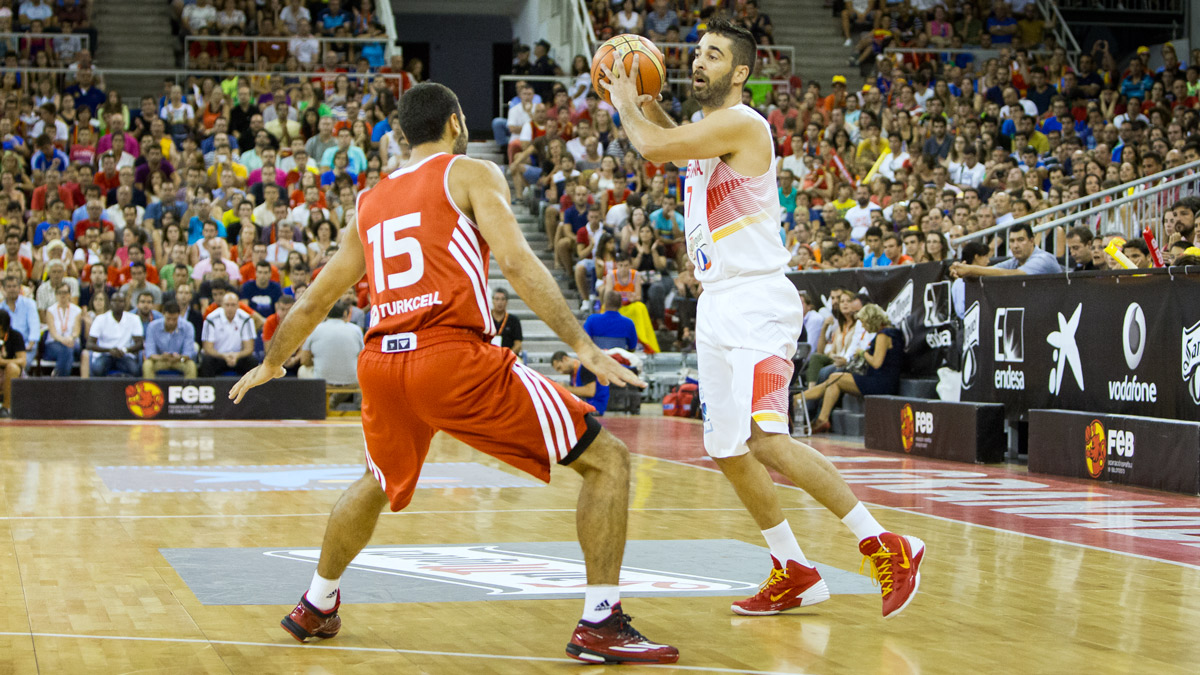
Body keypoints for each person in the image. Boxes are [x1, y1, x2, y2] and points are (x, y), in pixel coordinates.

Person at [227, 82, 677, 664]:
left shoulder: (369, 201)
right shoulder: (469, 173)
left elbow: (315, 299)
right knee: (607, 460)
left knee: (375, 481)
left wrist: (272, 360)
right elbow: (516, 261)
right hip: (450, 357)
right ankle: (601, 622)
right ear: (456, 122)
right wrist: (580, 344)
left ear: (403, 134)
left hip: (383, 365)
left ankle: (317, 601)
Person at [601, 17, 924, 619]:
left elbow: (652, 147)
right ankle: (793, 568)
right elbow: (674, 144)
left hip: (756, 301)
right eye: (698, 52)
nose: (698, 61)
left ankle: (884, 543)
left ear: (740, 73)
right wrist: (651, 107)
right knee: (727, 448)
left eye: (713, 55)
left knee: (766, 438)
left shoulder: (744, 123)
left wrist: (624, 101)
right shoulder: (709, 132)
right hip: (717, 302)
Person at [800, 304, 903, 432]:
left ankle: (803, 402)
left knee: (836, 378)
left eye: (864, 322)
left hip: (881, 382)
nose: (863, 327)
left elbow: (876, 363)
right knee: (834, 379)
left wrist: (862, 353)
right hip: (882, 379)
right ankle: (813, 411)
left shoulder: (884, 335)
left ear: (871, 320)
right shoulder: (891, 333)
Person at [950, 223, 1061, 278]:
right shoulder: (1014, 262)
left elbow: (1014, 275)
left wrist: (970, 269)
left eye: (1020, 240)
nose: (1015, 245)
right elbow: (991, 271)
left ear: (1032, 241)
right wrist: (961, 270)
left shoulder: (1043, 259)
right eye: (1012, 241)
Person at [298, 299, 363, 385]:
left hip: (321, 380)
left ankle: (316, 394)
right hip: (352, 379)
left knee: (302, 370)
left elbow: (304, 360)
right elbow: (362, 357)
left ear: (326, 313)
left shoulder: (316, 329)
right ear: (345, 313)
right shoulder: (356, 330)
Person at [86, 292, 144, 377]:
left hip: (125, 354)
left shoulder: (134, 319)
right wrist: (109, 350)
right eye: (114, 301)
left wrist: (125, 350)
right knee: (97, 369)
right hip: (105, 354)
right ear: (110, 303)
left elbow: (140, 344)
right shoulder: (100, 319)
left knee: (134, 370)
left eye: (120, 301)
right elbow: (89, 344)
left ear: (125, 304)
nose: (117, 303)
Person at [200, 292, 257, 376]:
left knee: (252, 361)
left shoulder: (246, 319)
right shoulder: (211, 319)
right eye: (227, 305)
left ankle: (251, 385)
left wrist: (236, 356)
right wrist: (224, 356)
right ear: (222, 305)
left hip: (238, 357)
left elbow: (249, 348)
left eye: (233, 305)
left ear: (238, 306)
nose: (230, 308)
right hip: (218, 356)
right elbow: (208, 349)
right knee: (207, 361)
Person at [143, 301, 198, 378]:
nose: (171, 322)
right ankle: (150, 386)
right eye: (168, 319)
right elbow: (150, 353)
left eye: (174, 319)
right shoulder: (152, 326)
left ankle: (190, 385)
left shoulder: (188, 327)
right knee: (147, 364)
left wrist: (180, 357)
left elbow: (188, 353)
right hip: (160, 360)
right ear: (163, 314)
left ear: (179, 315)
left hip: (179, 360)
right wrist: (161, 357)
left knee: (191, 365)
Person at [552, 350, 610, 415]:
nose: (561, 372)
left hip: (595, 407)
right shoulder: (574, 374)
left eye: (559, 368)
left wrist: (565, 388)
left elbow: (590, 392)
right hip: (588, 406)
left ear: (565, 359)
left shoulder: (586, 367)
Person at [44, 282, 83, 376]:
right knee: (67, 351)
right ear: (56, 295)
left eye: (65, 292)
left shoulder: (77, 310)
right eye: (60, 293)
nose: (62, 295)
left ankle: (58, 377)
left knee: (68, 349)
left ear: (69, 294)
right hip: (54, 342)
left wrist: (70, 338)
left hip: (72, 341)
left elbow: (76, 331)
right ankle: (63, 380)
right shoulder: (50, 310)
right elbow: (53, 333)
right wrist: (63, 340)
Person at [0, 309, 25, 416]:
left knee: (12, 368)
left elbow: (22, 361)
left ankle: (6, 408)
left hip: (9, 373)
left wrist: (3, 362)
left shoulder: (15, 336)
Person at [489, 287, 522, 355]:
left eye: (503, 299)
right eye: (497, 299)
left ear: (507, 301)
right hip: (489, 356)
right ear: (492, 300)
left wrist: (508, 356)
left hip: (508, 356)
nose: (500, 302)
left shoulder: (514, 320)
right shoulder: (486, 319)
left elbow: (518, 344)